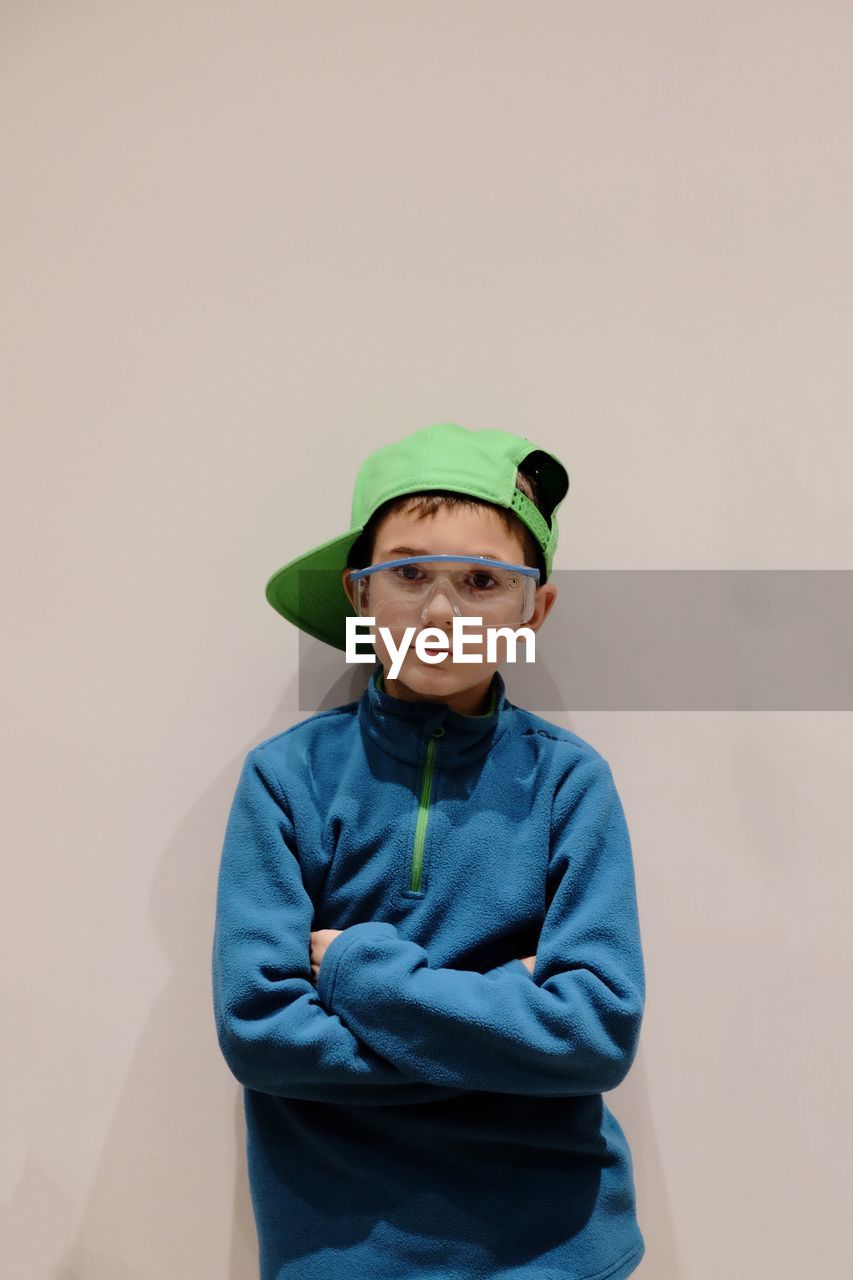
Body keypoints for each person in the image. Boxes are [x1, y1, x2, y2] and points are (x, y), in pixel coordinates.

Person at [211, 421, 646, 1280]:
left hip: (556, 1247)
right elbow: (259, 1034)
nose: (442, 610)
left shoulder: (569, 784)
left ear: (535, 607)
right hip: (338, 1249)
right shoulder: (287, 778)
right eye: (408, 573)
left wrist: (355, 975)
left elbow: (594, 1035)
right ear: (360, 594)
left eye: (483, 580)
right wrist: (506, 1023)